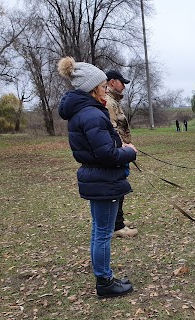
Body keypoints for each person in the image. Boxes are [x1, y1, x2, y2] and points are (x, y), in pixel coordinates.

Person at [58, 57, 136, 298]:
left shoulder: (85, 112)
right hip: (103, 179)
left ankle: (104, 276)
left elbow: (101, 149)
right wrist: (128, 152)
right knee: (102, 232)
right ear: (93, 88)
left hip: (99, 178)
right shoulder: (91, 114)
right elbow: (106, 153)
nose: (106, 90)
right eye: (103, 86)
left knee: (99, 230)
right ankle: (104, 282)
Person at [105, 70, 138, 238]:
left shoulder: (114, 101)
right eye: (121, 82)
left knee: (120, 183)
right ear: (112, 82)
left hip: (122, 150)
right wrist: (124, 146)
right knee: (117, 185)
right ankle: (116, 225)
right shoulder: (108, 102)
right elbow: (111, 129)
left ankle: (118, 219)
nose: (124, 86)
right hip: (117, 152)